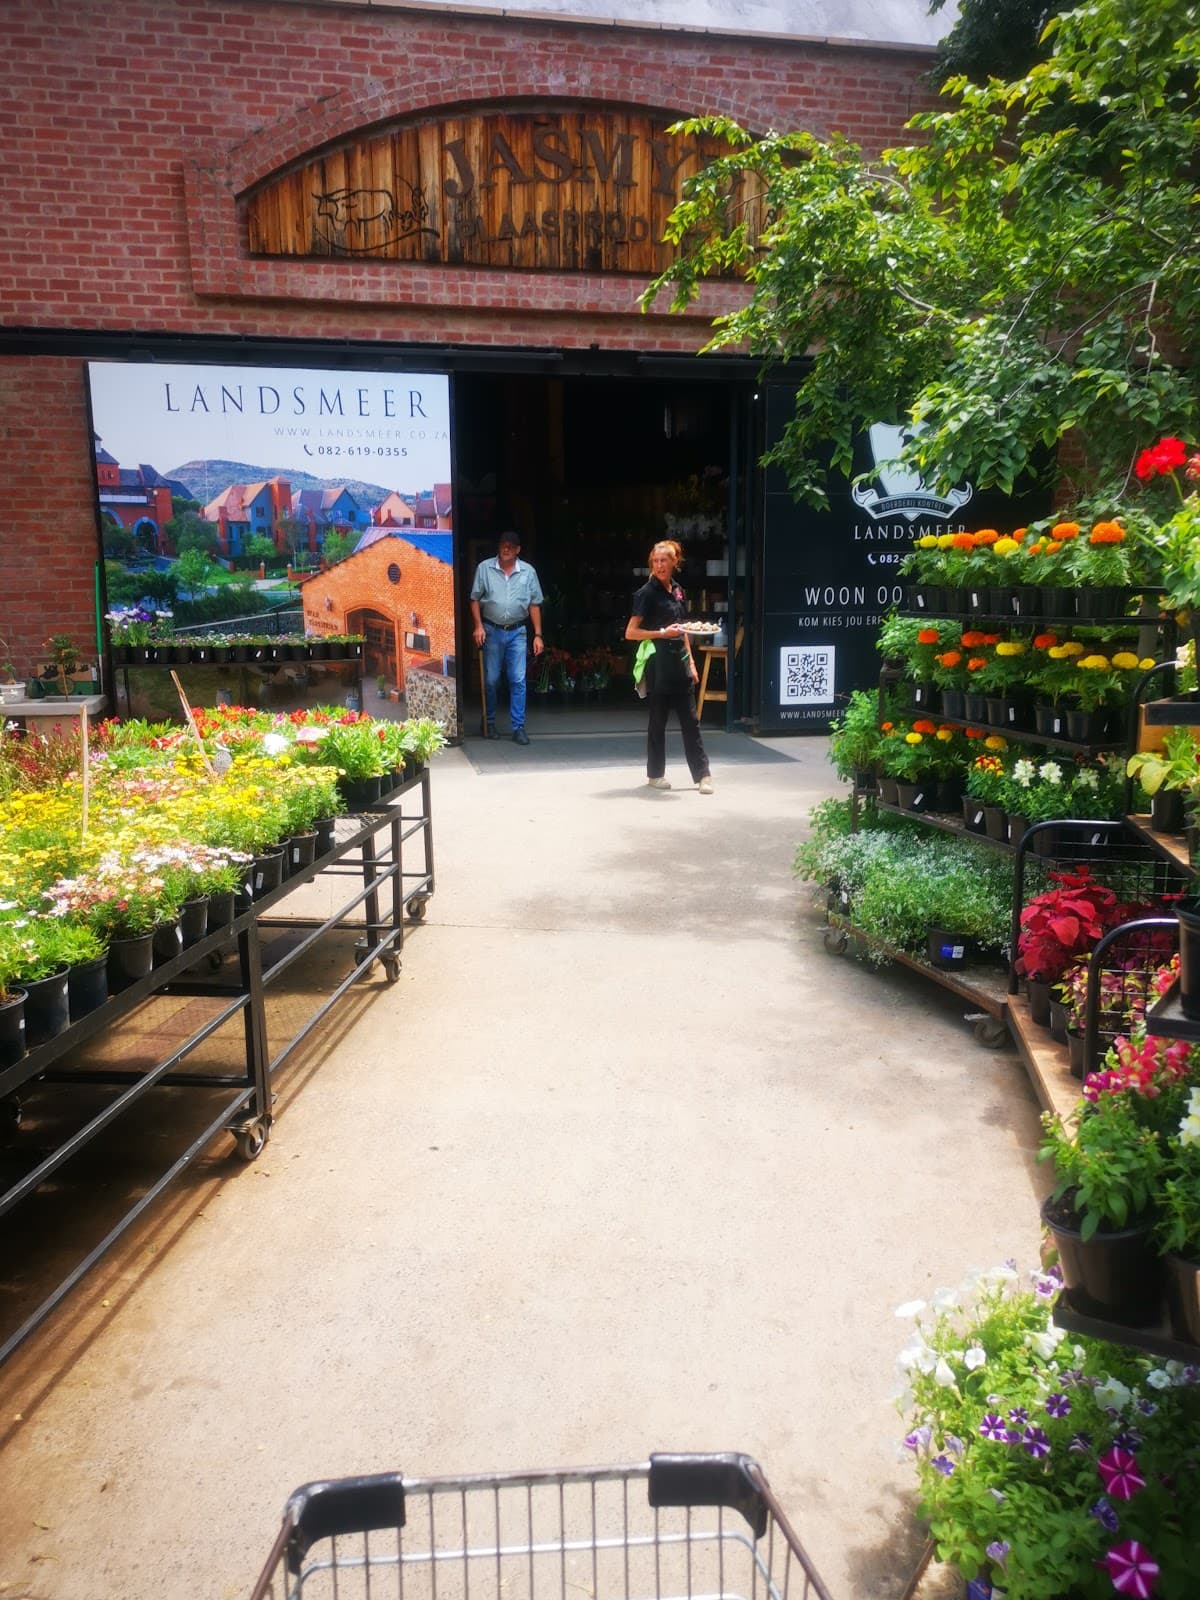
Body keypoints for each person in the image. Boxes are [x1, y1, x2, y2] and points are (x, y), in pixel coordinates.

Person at [625, 539, 713, 793]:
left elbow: (682, 628)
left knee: (691, 721)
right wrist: (661, 632)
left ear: (675, 562)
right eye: (656, 561)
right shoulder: (646, 593)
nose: (660, 565)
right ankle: (655, 775)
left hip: (681, 663)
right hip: (659, 663)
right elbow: (631, 632)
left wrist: (692, 662)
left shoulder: (678, 590)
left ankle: (703, 776)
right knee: (658, 722)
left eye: (664, 560)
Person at [469, 532, 545, 744]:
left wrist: (538, 635)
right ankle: (489, 722)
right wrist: (477, 626)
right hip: (491, 630)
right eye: (503, 545)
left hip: (518, 632)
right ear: (499, 547)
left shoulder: (528, 572)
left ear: (518, 550)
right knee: (492, 680)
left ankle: (518, 727)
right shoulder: (485, 568)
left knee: (518, 680)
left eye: (511, 546)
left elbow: (534, 604)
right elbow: (474, 599)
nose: (506, 549)